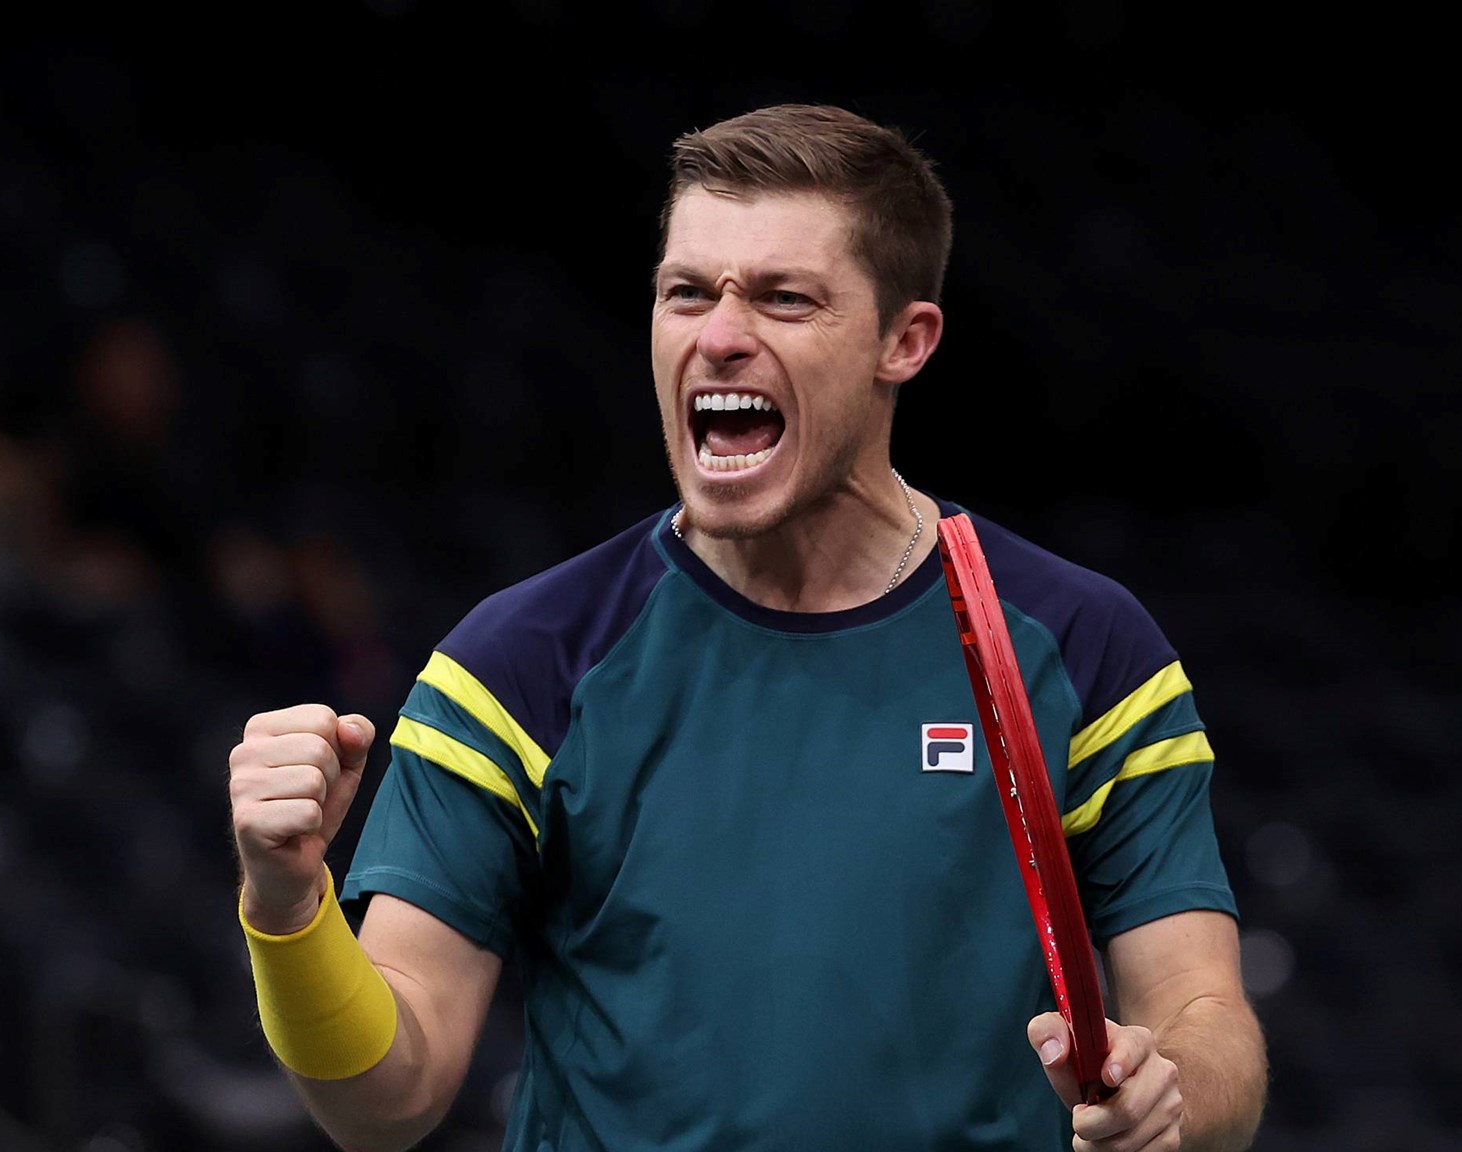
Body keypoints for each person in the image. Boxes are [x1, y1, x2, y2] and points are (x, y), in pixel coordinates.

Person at [229, 102, 1268, 1151]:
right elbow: (385, 1103)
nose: (720, 336)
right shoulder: (518, 662)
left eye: (784, 298)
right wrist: (285, 910)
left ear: (903, 341)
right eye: (686, 292)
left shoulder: (1083, 647)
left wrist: (1169, 1094)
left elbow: (1205, 1011)